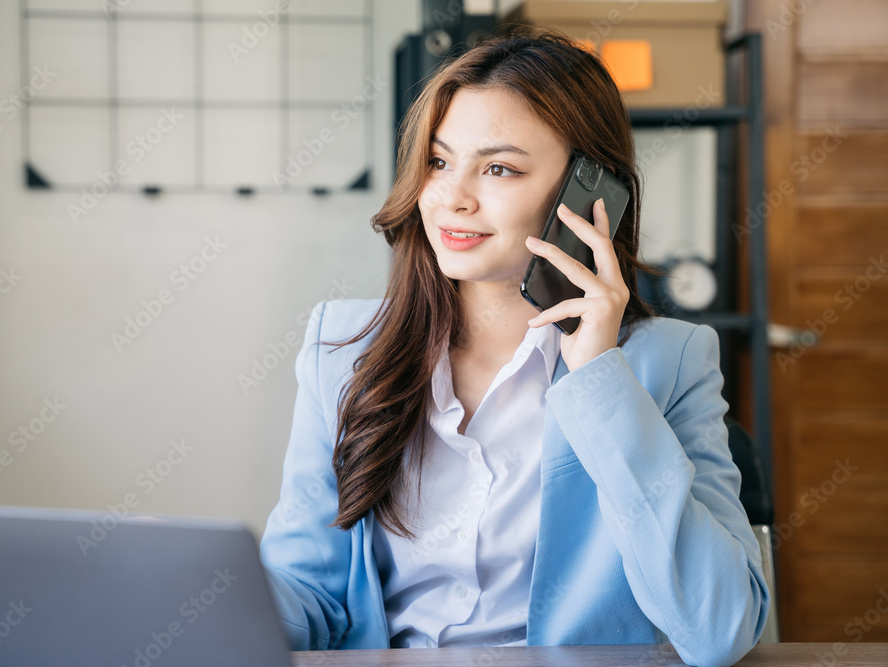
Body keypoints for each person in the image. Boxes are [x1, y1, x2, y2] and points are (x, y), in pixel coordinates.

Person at [259, 25, 769, 667]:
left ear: (588, 193)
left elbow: (720, 630)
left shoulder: (668, 363)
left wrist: (598, 378)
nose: (451, 197)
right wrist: (205, 607)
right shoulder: (343, 350)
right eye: (439, 162)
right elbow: (310, 592)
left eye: (498, 168)